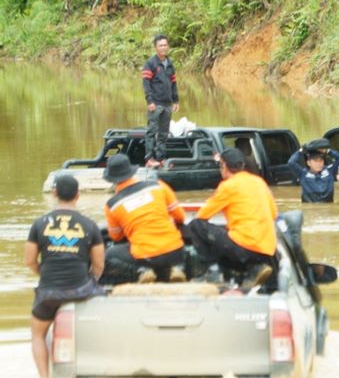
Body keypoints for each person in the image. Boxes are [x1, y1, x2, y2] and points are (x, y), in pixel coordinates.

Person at [25, 170, 105, 378]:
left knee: (37, 334)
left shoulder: (39, 224)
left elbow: (29, 261)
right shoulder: (89, 225)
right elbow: (99, 265)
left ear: (54, 193)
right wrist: (91, 281)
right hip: (81, 289)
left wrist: (46, 274)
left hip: (49, 292)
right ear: (78, 195)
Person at [182, 147, 278, 287]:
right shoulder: (259, 182)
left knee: (197, 226)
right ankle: (254, 269)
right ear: (242, 166)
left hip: (244, 248)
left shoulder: (228, 186)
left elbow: (203, 215)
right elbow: (274, 214)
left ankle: (213, 272)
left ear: (224, 166)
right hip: (267, 252)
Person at [100, 153, 188, 284]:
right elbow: (180, 217)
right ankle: (177, 267)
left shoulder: (111, 206)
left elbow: (116, 237)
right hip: (176, 252)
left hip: (145, 257)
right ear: (131, 172)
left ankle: (143, 271)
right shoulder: (158, 186)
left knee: (109, 255)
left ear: (111, 179)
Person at [141, 34, 179, 167]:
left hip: (167, 104)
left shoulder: (170, 63)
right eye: (160, 45)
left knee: (163, 133)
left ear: (168, 46)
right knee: (151, 131)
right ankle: (149, 159)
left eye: (165, 45)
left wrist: (176, 101)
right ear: (156, 47)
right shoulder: (150, 63)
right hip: (155, 104)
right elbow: (146, 84)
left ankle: (161, 158)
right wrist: (149, 101)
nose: (163, 48)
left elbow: (173, 83)